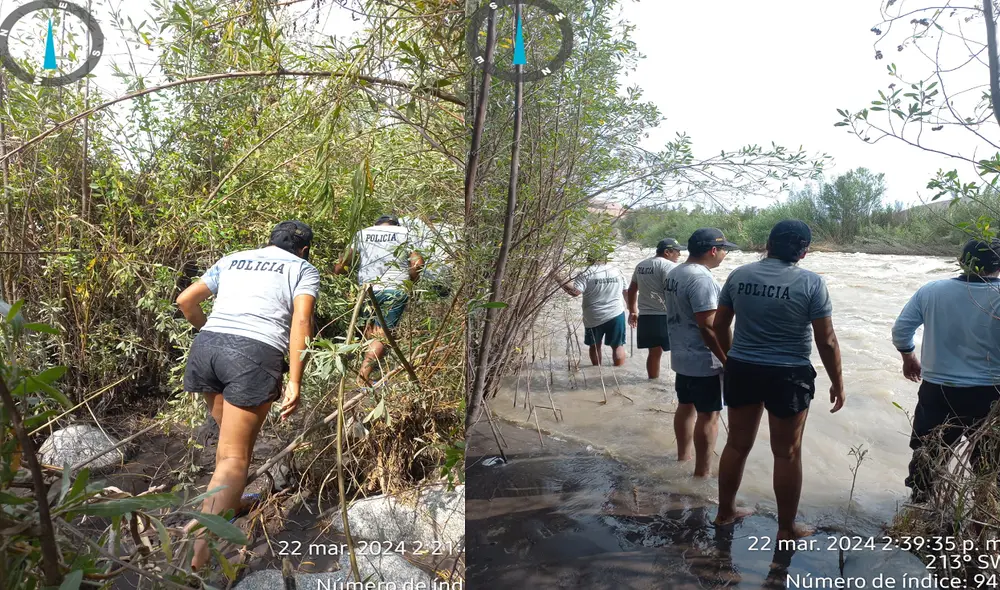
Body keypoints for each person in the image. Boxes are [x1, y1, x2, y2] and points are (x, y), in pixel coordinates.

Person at [176, 220, 319, 570]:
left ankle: (231, 501)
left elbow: (185, 301)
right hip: (253, 353)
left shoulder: (234, 258)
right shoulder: (302, 268)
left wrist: (209, 331)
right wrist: (295, 381)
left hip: (207, 347)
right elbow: (301, 323)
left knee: (228, 448)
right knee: (234, 459)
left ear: (268, 241)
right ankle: (200, 549)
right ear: (303, 249)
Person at [711, 219, 845, 540]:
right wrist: (838, 382)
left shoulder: (739, 275)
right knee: (786, 453)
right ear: (804, 252)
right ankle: (787, 529)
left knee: (736, 444)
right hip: (789, 374)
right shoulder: (811, 283)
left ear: (767, 245)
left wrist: (733, 359)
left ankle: (724, 512)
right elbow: (826, 340)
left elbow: (718, 326)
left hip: (743, 368)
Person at [892, 238, 1000, 504]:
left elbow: (901, 331)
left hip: (938, 390)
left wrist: (909, 357)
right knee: (989, 467)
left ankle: (920, 511)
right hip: (991, 393)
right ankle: (982, 520)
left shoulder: (932, 290)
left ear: (962, 261)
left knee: (928, 455)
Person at [663, 228, 737, 477]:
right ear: (713, 251)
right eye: (725, 249)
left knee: (685, 406)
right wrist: (726, 360)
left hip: (681, 356)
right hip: (704, 360)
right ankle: (701, 473)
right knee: (709, 415)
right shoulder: (702, 279)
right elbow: (708, 326)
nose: (725, 254)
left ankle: (683, 457)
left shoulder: (675, 272)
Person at [334, 214, 424, 385]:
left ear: (376, 225)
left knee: (370, 328)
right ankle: (363, 378)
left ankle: (356, 371)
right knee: (382, 335)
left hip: (366, 289)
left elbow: (344, 262)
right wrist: (408, 281)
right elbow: (417, 264)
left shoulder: (363, 233)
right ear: (395, 225)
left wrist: (336, 274)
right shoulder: (405, 233)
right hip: (395, 288)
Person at [557, 253, 629, 367]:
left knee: (595, 346)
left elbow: (575, 292)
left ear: (589, 258)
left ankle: (597, 371)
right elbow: (626, 292)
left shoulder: (586, 272)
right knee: (618, 346)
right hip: (616, 314)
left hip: (593, 316)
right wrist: (632, 310)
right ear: (606, 258)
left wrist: (558, 278)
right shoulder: (617, 271)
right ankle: (619, 372)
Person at [628, 238, 682, 379]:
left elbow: (632, 290)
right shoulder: (668, 266)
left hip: (646, 316)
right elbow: (672, 291)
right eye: (677, 251)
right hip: (665, 315)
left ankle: (652, 383)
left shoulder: (641, 265)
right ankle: (679, 387)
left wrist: (632, 311)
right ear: (667, 252)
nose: (679, 255)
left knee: (653, 353)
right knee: (679, 351)